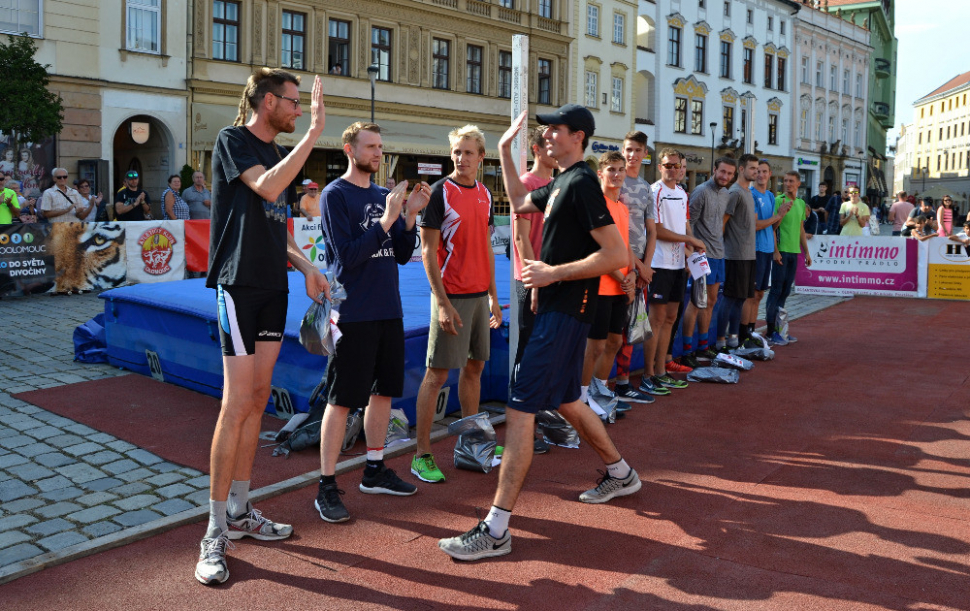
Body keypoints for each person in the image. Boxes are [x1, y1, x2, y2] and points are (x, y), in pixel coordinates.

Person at [437, 106, 636, 562]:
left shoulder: (583, 183)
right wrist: (505, 151)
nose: (546, 135)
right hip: (557, 308)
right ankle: (620, 472)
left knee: (520, 408)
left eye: (556, 129)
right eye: (545, 129)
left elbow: (616, 253)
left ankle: (496, 528)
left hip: (566, 310)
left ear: (578, 137)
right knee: (567, 399)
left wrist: (553, 273)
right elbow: (519, 199)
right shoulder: (563, 181)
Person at [195, 68, 331, 586]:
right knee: (236, 403)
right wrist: (316, 134)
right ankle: (212, 532)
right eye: (294, 103)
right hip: (238, 287)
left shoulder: (277, 153)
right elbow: (269, 187)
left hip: (275, 287)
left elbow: (279, 226)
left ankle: (240, 509)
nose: (300, 111)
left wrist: (307, 266)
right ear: (268, 101)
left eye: (302, 106)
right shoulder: (234, 141)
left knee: (256, 401)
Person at [314, 121, 431, 523]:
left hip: (388, 308)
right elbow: (346, 256)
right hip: (353, 311)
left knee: (383, 393)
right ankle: (326, 485)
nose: (378, 154)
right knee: (342, 399)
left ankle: (375, 468)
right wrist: (386, 219)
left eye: (381, 147)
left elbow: (399, 253)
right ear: (350, 150)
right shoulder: (334, 195)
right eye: (370, 147)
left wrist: (410, 217)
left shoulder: (385, 194)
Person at [412, 124, 501, 484]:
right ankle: (422, 454)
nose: (461, 158)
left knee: (475, 369)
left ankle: (474, 442)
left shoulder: (486, 193)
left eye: (468, 152)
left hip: (480, 297)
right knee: (436, 375)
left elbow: (486, 248)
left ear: (481, 157)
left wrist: (494, 296)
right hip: (453, 297)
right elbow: (428, 252)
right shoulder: (438, 193)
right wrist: (443, 303)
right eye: (456, 152)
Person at [639, 149, 705, 396]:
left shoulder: (682, 193)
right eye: (667, 165)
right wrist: (689, 239)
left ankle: (660, 372)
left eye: (676, 166)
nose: (672, 170)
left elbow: (685, 224)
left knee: (669, 319)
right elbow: (657, 231)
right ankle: (647, 375)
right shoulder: (654, 192)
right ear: (659, 167)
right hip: (659, 263)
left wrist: (691, 251)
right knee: (655, 321)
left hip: (678, 265)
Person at [512, 126, 559, 452]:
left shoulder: (559, 184)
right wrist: (535, 277)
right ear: (536, 149)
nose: (554, 150)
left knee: (545, 352)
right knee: (527, 353)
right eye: (548, 145)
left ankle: (539, 420)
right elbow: (520, 237)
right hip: (531, 280)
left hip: (553, 278)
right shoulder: (528, 185)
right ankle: (522, 428)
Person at [581, 151, 636, 420]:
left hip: (621, 287)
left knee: (615, 341)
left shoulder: (622, 208)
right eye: (611, 169)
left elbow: (624, 248)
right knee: (595, 346)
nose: (616, 174)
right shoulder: (597, 204)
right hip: (601, 285)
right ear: (600, 173)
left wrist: (632, 275)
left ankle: (600, 394)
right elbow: (597, 249)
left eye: (620, 170)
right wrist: (620, 276)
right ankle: (581, 399)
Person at [611, 131, 657, 404]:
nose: (632, 155)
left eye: (637, 150)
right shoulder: (615, 182)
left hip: (640, 267)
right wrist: (637, 265)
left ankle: (625, 382)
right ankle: (605, 384)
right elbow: (615, 230)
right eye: (628, 149)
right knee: (612, 329)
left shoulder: (646, 188)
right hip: (617, 263)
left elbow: (651, 230)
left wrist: (647, 266)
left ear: (644, 154)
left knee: (632, 326)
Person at [679, 156, 733, 366]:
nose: (725, 176)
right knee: (695, 303)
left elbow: (718, 224)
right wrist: (691, 254)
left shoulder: (726, 193)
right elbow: (687, 224)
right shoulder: (701, 192)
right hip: (701, 255)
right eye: (722, 172)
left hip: (719, 254)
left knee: (710, 302)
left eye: (729, 174)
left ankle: (703, 347)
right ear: (714, 170)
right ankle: (687, 351)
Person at [743, 160, 790, 349]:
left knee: (760, 294)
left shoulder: (770, 196)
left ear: (770, 174)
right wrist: (777, 216)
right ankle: (744, 333)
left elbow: (771, 225)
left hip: (767, 249)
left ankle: (752, 331)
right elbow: (755, 226)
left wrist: (781, 215)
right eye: (757, 171)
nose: (761, 175)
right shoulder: (751, 195)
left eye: (764, 171)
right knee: (752, 294)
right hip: (755, 249)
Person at [765, 172, 812, 346]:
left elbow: (800, 229)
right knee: (776, 290)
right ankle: (770, 331)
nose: (787, 184)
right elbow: (773, 228)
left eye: (791, 181)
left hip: (794, 251)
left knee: (785, 291)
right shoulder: (779, 201)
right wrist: (775, 251)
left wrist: (806, 251)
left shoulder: (800, 203)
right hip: (782, 251)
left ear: (799, 183)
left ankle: (780, 329)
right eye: (785, 181)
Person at [718, 154, 759, 350]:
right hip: (735, 254)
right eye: (752, 168)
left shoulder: (748, 193)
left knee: (742, 297)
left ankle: (734, 339)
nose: (756, 172)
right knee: (730, 298)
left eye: (757, 169)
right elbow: (722, 223)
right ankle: (721, 340)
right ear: (741, 169)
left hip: (749, 254)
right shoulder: (734, 192)